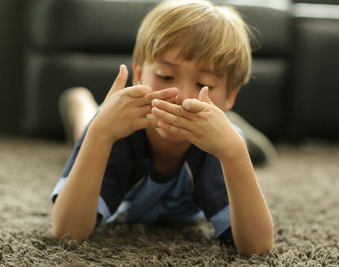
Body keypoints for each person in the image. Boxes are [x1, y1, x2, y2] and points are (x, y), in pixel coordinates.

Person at [51, 0, 274, 255]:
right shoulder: (112, 131)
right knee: (88, 129)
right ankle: (81, 104)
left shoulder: (219, 150)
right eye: (166, 77)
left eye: (204, 83)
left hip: (220, 130)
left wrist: (235, 152)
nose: (181, 97)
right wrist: (99, 134)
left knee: (246, 145)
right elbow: (67, 233)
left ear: (231, 96)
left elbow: (258, 248)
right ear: (139, 74)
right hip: (112, 126)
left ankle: (234, 126)